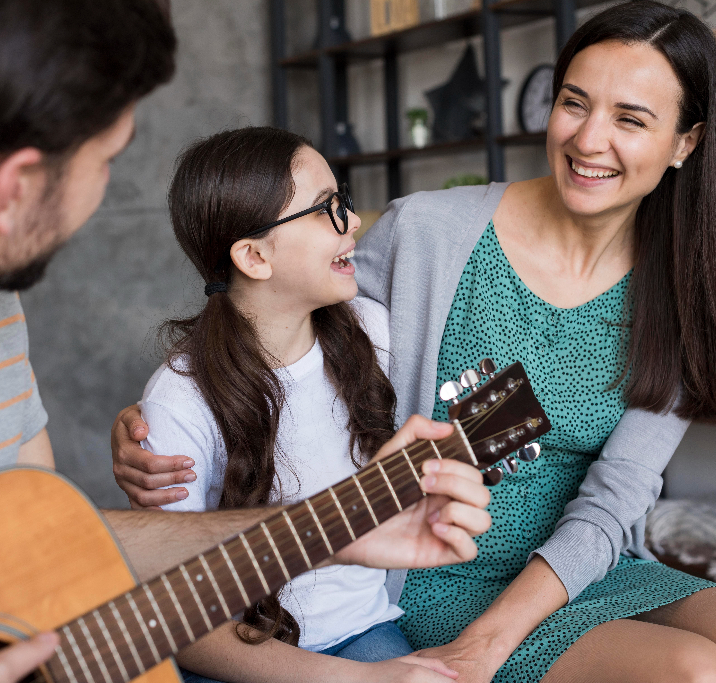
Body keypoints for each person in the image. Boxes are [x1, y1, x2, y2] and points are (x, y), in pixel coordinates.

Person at [0, 1, 495, 682]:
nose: (102, 194)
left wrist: (324, 527)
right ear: (15, 189)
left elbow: (47, 554)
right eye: (106, 159)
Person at [112, 2, 716, 682]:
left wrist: (498, 636)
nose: (588, 139)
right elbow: (282, 320)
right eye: (573, 103)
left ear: (686, 142)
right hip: (438, 567)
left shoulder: (683, 288)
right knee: (694, 672)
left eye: (630, 118)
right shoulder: (428, 235)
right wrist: (170, 413)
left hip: (580, 562)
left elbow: (617, 497)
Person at [136, 127, 483, 683]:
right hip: (241, 657)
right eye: (326, 210)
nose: (353, 223)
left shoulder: (373, 331)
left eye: (342, 200)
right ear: (254, 256)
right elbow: (179, 624)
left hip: (362, 631)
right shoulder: (179, 399)